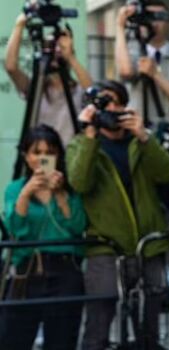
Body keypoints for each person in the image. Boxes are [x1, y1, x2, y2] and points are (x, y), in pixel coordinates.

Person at [66, 80, 169, 350]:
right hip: (104, 248)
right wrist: (89, 134)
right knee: (98, 324)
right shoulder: (81, 144)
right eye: (104, 102)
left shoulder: (141, 141)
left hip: (147, 246)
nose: (112, 108)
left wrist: (143, 136)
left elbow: (168, 174)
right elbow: (79, 182)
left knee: (148, 323)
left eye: (117, 101)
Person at [0, 124, 87, 350]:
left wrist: (59, 194)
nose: (42, 158)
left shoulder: (69, 189)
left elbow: (77, 226)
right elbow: (15, 229)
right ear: (26, 156)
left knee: (62, 339)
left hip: (65, 271)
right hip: (26, 273)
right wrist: (26, 193)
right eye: (36, 153)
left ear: (58, 156)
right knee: (13, 337)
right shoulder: (15, 189)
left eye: (49, 153)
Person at [4, 13, 93, 145]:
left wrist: (70, 57)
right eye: (52, 46)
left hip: (70, 157)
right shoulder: (36, 88)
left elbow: (92, 90)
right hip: (43, 157)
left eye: (60, 47)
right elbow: (11, 67)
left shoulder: (77, 90)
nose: (56, 51)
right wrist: (19, 26)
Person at [115, 0, 169, 128]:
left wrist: (155, 74)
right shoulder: (132, 51)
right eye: (149, 16)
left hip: (165, 129)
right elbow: (125, 72)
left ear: (168, 21)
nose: (154, 22)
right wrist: (120, 26)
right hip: (133, 127)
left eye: (160, 16)